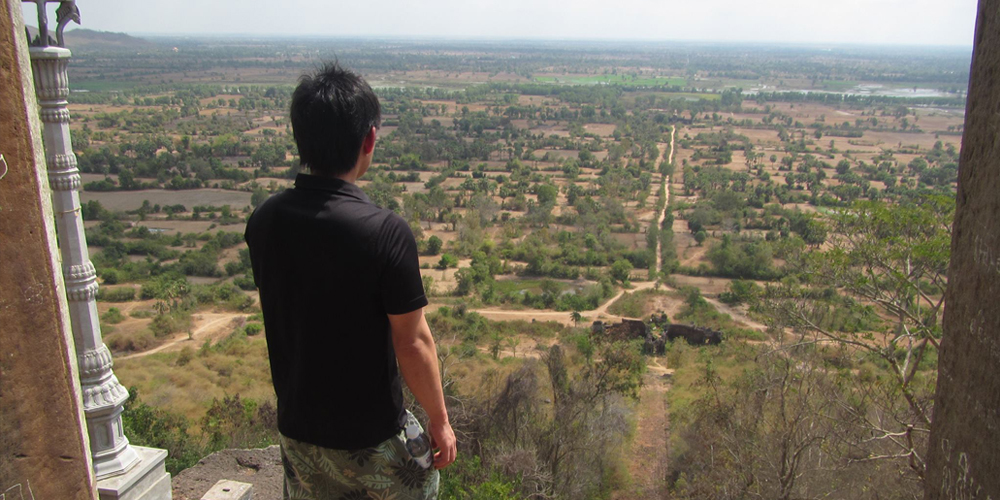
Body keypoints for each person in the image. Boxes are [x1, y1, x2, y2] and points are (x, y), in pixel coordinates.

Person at [244, 62, 455, 500]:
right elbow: (412, 342)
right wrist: (439, 421)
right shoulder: (383, 232)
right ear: (369, 140)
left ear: (300, 136)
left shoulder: (264, 221)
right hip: (371, 437)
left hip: (299, 435)